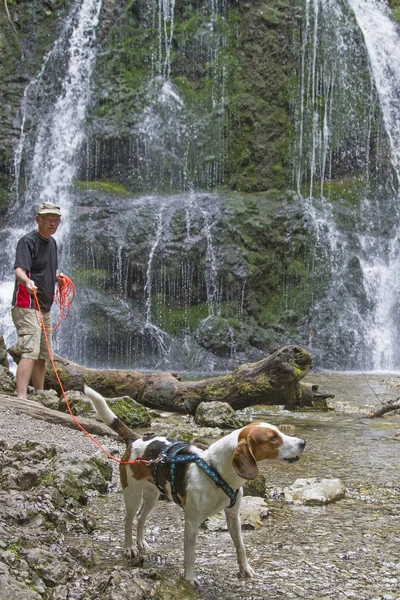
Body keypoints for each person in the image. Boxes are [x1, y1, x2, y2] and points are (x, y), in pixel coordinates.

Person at [11, 201, 65, 399]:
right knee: (30, 350)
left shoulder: (52, 243)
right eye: (49, 220)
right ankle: (22, 397)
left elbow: (49, 268)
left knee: (43, 353)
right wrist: (26, 281)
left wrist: (58, 278)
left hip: (44, 307)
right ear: (38, 219)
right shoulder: (28, 241)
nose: (53, 224)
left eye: (56, 220)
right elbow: (19, 269)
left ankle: (40, 392)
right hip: (27, 305)